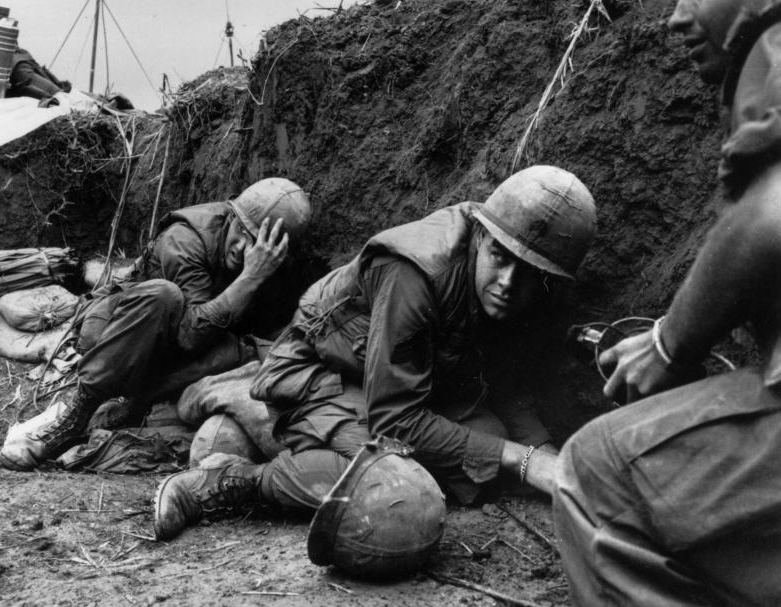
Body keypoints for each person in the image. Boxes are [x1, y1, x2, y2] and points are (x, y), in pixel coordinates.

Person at [154, 164, 597, 541]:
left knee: (480, 461)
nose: (507, 283)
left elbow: (508, 380)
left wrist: (552, 459)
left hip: (400, 381)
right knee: (399, 484)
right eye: (500, 257)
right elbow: (397, 422)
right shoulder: (416, 272)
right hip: (318, 370)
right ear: (481, 235)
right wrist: (524, 460)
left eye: (530, 273)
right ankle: (232, 480)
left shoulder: (527, 283)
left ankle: (281, 440)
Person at [552, 1, 781, 607]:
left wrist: (668, 342)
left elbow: (772, 213)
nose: (675, 19)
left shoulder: (775, 44)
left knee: (599, 477)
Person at [0, 177, 312, 471]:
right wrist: (251, 278)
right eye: (243, 231)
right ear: (231, 216)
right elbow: (191, 335)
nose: (244, 249)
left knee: (244, 351)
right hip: (119, 333)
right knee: (165, 295)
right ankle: (75, 416)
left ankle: (134, 406)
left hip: (174, 352)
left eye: (257, 244)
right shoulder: (186, 239)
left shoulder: (275, 268)